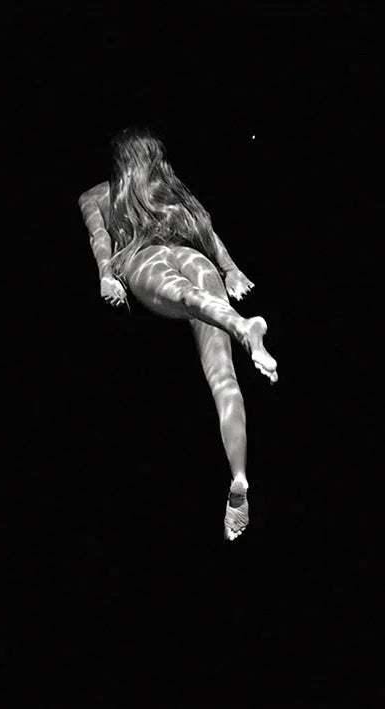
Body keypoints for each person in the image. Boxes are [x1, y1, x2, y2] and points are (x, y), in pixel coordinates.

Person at [77, 127, 277, 541]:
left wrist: (106, 276)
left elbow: (100, 238)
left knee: (184, 296)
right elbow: (205, 224)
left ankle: (241, 326)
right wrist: (230, 269)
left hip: (143, 259)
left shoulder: (97, 196)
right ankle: (238, 477)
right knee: (224, 377)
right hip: (192, 254)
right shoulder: (164, 189)